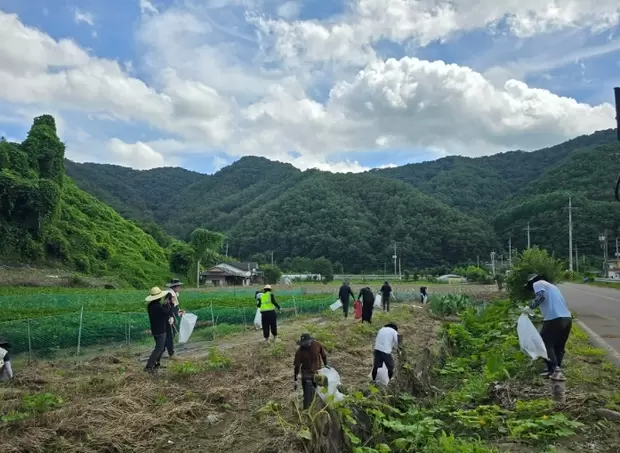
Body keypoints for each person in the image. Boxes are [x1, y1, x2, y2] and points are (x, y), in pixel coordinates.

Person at [524, 274, 573, 377]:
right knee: (559, 346)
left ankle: (553, 370)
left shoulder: (538, 283)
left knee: (544, 344)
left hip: (554, 318)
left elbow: (540, 296)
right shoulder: (553, 287)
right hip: (567, 319)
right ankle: (556, 371)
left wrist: (530, 307)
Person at [145, 287, 177, 373]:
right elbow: (169, 312)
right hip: (161, 331)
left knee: (161, 348)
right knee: (159, 348)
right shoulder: (159, 307)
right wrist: (172, 304)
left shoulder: (150, 306)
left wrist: (166, 305)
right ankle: (149, 366)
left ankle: (156, 363)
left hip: (155, 330)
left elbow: (164, 312)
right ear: (159, 297)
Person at [293, 333, 328, 409]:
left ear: (311, 340)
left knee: (317, 391)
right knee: (307, 394)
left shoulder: (317, 345)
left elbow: (323, 355)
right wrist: (295, 380)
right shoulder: (300, 352)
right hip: (306, 375)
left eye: (307, 342)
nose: (306, 344)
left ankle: (317, 405)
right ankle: (307, 409)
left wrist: (326, 364)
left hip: (317, 372)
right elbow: (297, 366)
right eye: (304, 343)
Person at [164, 278, 185, 358]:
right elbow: (170, 307)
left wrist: (179, 311)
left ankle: (165, 348)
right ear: (174, 287)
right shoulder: (170, 294)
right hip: (170, 316)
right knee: (170, 334)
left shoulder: (174, 293)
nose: (179, 288)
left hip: (171, 315)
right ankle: (169, 351)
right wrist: (172, 316)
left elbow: (175, 306)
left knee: (171, 334)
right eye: (179, 286)